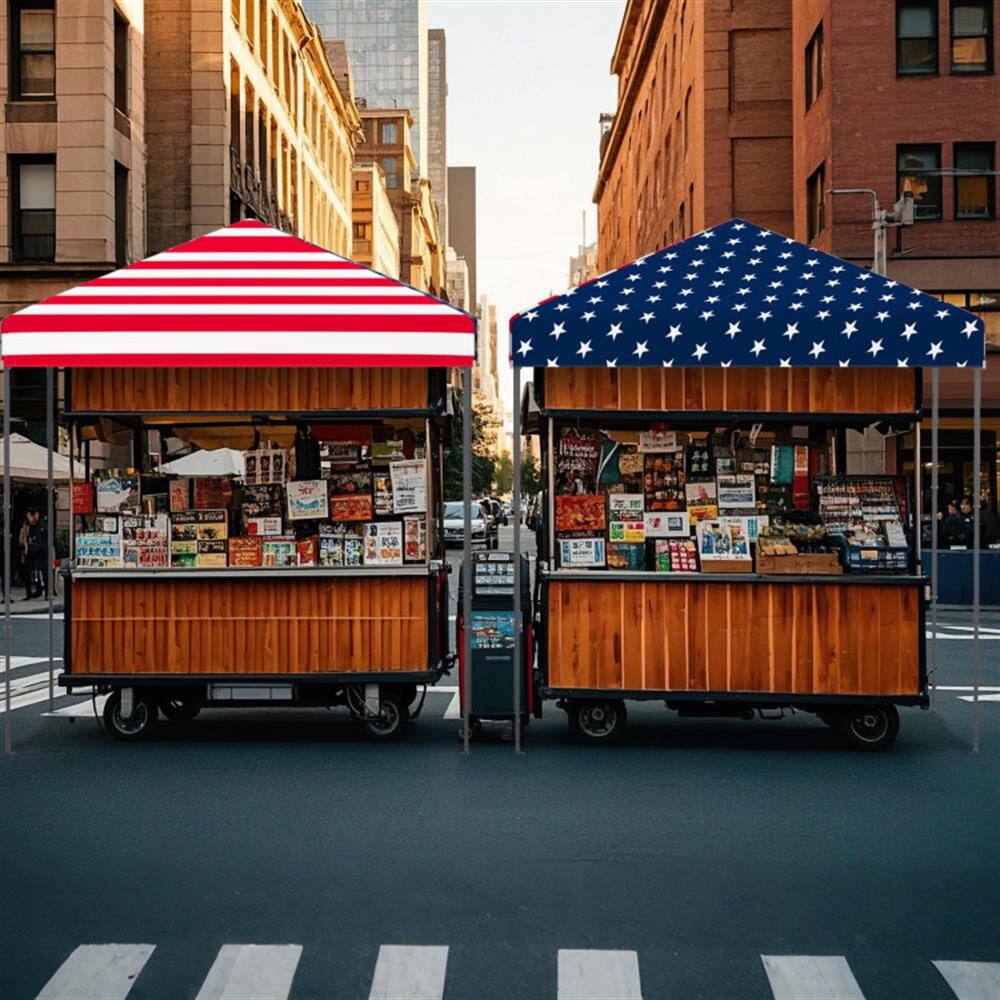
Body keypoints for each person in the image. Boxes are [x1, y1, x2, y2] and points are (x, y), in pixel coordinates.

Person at [22, 508, 48, 600]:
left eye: (30, 517)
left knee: (44, 572)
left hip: (41, 551)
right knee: (29, 572)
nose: (30, 519)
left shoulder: (42, 525)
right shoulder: (29, 526)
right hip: (31, 552)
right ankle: (30, 593)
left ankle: (46, 593)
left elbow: (42, 540)